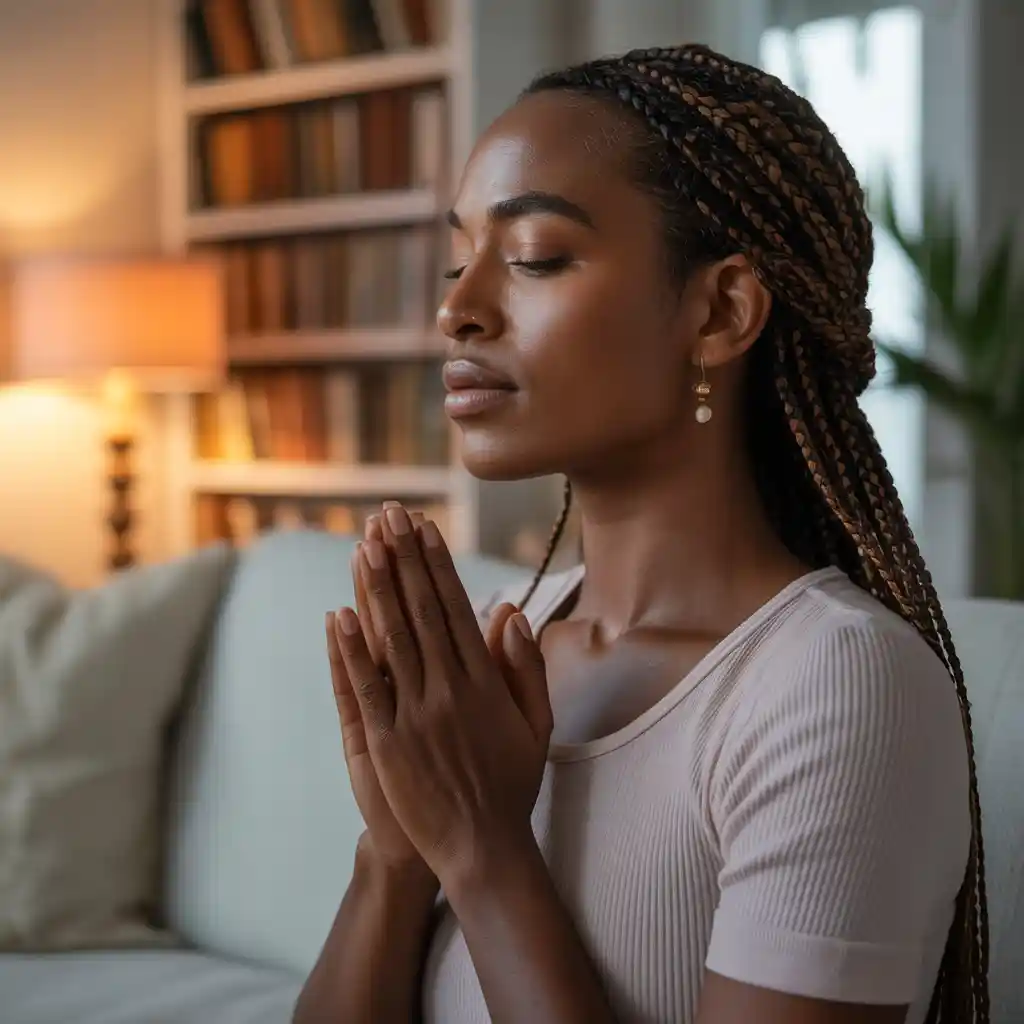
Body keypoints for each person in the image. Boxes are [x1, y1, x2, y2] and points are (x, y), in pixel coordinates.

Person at [293, 43, 988, 1024]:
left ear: (719, 310)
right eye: (458, 261)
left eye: (532, 256)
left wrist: (485, 848)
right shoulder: (496, 651)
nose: (456, 309)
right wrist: (396, 854)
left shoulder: (835, 687)